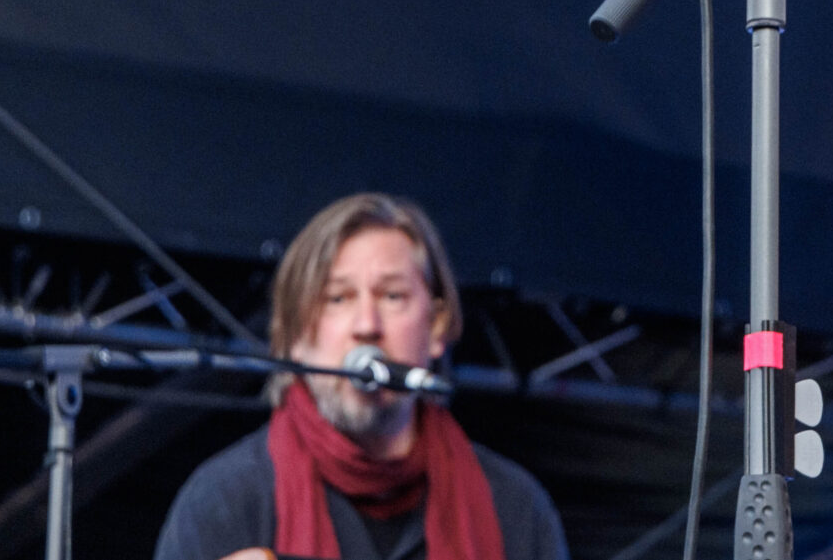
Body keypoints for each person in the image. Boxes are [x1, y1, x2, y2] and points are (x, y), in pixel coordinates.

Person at [154, 193, 568, 560]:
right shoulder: (226, 499)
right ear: (296, 333)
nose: (367, 325)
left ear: (438, 326)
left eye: (392, 296)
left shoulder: (515, 507)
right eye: (338, 298)